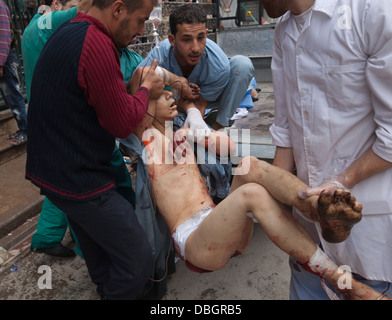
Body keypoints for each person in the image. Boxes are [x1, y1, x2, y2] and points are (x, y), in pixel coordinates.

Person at [119, 72, 390, 300]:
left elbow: (230, 149)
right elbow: (142, 81)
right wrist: (153, 85)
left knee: (249, 164)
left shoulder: (180, 129)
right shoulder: (147, 139)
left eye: (169, 91)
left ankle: (315, 209)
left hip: (217, 225)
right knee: (251, 194)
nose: (170, 95)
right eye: (160, 94)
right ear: (145, 106)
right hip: (195, 243)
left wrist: (194, 131)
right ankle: (346, 283)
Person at [25, 0, 164, 300]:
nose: (140, 31)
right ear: (117, 10)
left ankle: (106, 288)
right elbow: (122, 123)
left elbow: (90, 100)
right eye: (140, 21)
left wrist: (130, 90)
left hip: (57, 175)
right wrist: (144, 91)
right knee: (137, 261)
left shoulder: (69, 32)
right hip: (80, 179)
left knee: (98, 249)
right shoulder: (96, 42)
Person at [259, 0, 392, 299]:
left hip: (370, 235)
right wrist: (272, 206)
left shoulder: (372, 11)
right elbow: (285, 129)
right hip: (309, 242)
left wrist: (343, 181)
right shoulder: (284, 30)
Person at [22, 0, 94, 258]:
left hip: (44, 116)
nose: (73, 11)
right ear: (55, 4)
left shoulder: (32, 27)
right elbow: (90, 10)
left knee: (59, 180)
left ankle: (47, 236)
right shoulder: (50, 22)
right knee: (72, 181)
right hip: (60, 118)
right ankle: (84, 243)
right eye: (72, 4)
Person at [138, 3, 254, 134]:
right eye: (186, 40)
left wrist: (200, 136)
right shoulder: (160, 54)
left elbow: (199, 106)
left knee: (242, 65)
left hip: (206, 99)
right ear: (172, 40)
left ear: (206, 34)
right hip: (172, 99)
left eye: (200, 38)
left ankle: (217, 127)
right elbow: (139, 78)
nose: (196, 48)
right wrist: (178, 82)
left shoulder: (218, 65)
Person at [0, 0, 28, 146]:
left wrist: (0, 63)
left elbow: (4, 37)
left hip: (5, 60)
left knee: (14, 97)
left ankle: (26, 131)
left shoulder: (0, 6)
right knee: (10, 98)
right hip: (5, 60)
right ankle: (22, 129)